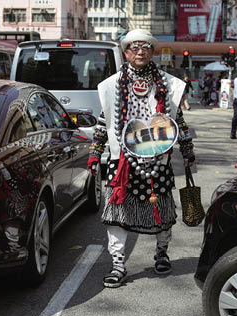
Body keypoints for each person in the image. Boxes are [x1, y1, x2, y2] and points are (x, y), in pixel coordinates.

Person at [86, 29, 195, 288]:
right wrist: (95, 153)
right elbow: (104, 121)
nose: (140, 52)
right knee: (117, 212)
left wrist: (188, 150)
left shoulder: (167, 83)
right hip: (122, 159)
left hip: (158, 158)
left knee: (162, 208)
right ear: (126, 52)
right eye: (134, 47)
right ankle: (118, 264)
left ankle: (161, 252)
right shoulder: (112, 85)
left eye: (145, 47)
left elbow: (177, 120)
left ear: (153, 52)